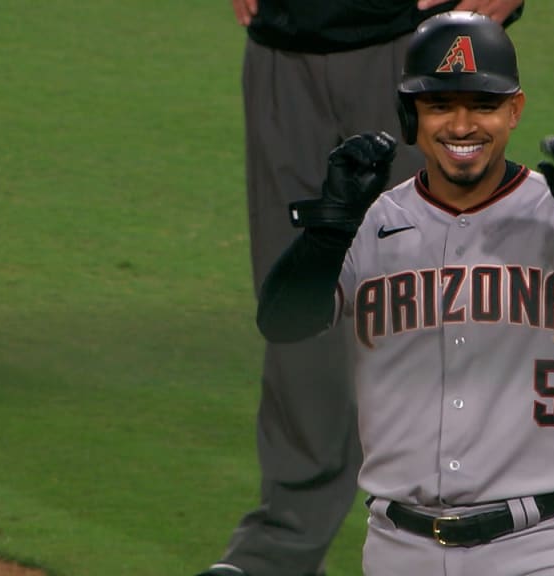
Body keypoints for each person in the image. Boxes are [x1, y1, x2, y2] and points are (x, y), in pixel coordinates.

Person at [253, 10, 554, 575]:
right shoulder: (370, 222)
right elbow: (283, 322)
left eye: (483, 105)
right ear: (410, 114)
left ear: (515, 110)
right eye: (440, 105)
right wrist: (331, 226)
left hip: (540, 545)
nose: (462, 126)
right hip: (400, 547)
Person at [199, 2, 525, 576]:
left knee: (428, 303)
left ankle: (467, 544)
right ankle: (282, 547)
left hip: (407, 46)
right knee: (297, 308)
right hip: (281, 47)